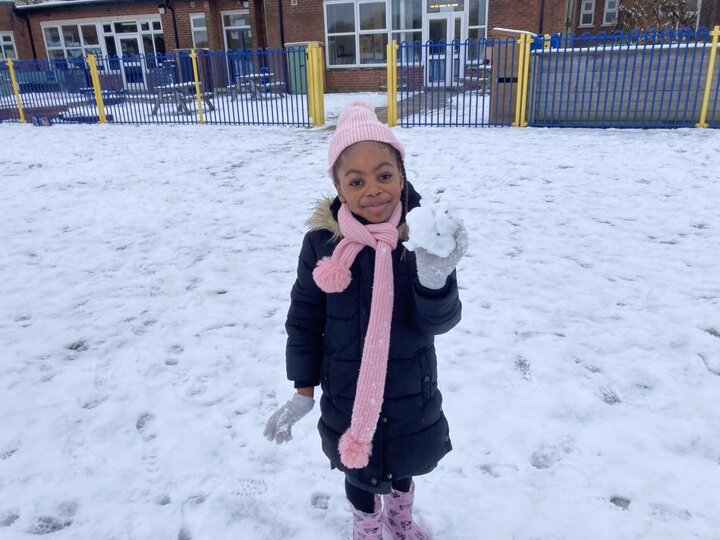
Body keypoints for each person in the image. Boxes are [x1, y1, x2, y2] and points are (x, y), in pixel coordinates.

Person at [264, 101, 467, 539]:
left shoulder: (421, 239)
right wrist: (303, 390)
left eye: (384, 175)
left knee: (404, 464)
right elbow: (304, 320)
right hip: (346, 391)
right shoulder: (321, 245)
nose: (373, 190)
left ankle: (399, 519)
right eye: (356, 181)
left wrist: (435, 281)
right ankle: (368, 526)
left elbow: (439, 322)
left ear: (402, 176)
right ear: (338, 187)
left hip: (410, 389)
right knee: (358, 472)